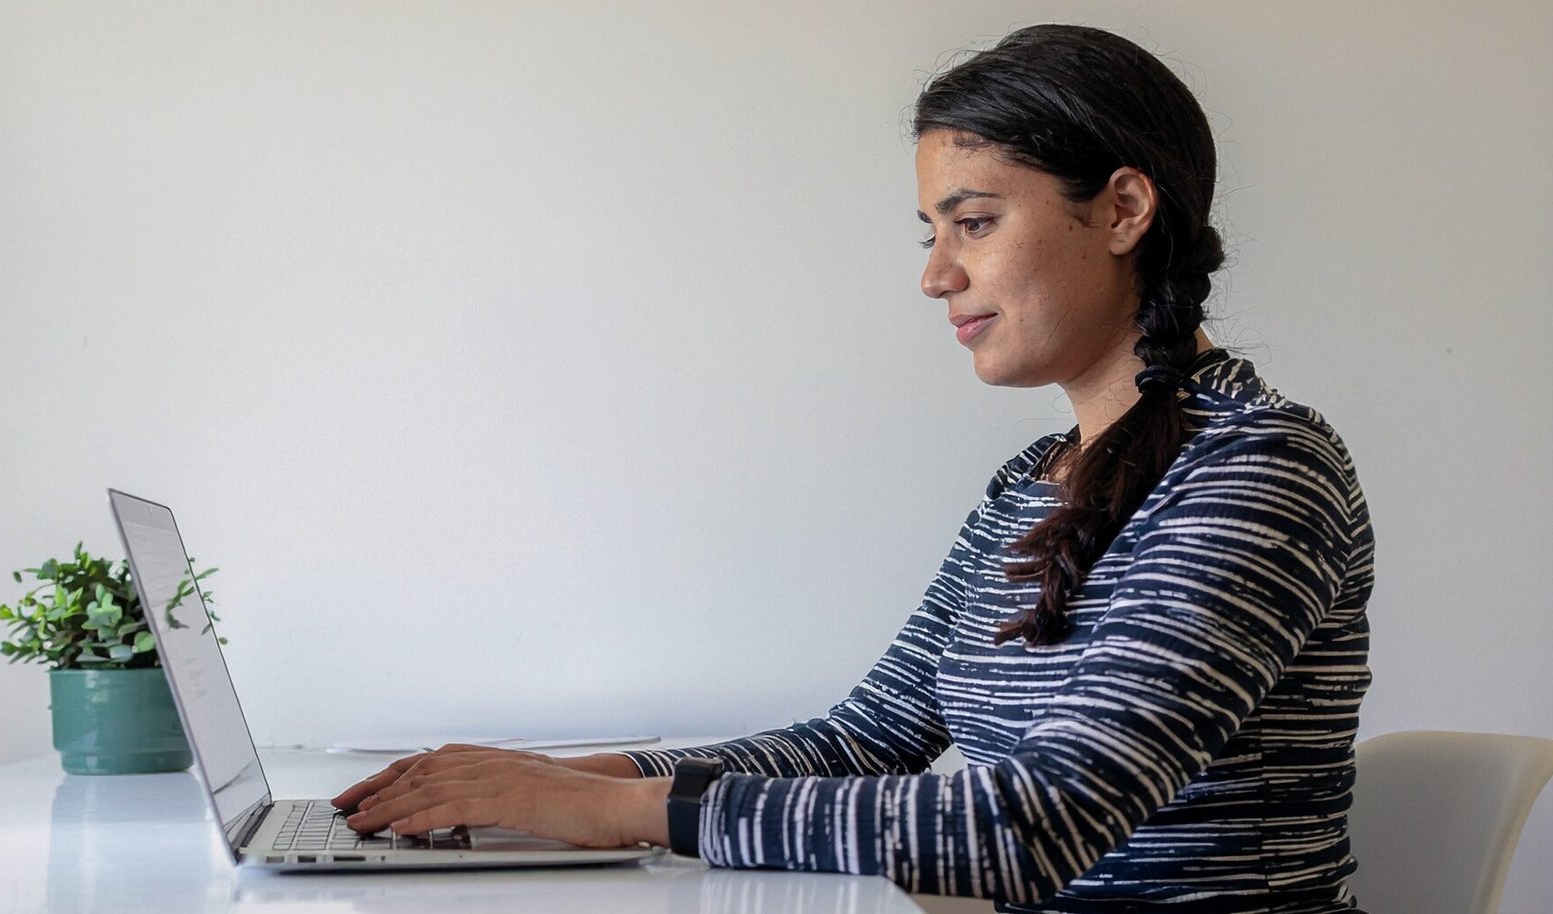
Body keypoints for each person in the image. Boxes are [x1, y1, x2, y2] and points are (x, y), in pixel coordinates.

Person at [333, 23, 1373, 914]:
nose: (934, 275)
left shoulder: (1258, 468)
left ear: (1121, 209)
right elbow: (868, 734)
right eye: (930, 233)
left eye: (973, 222)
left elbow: (1038, 824)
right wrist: (551, 778)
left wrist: (612, 810)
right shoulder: (1035, 477)